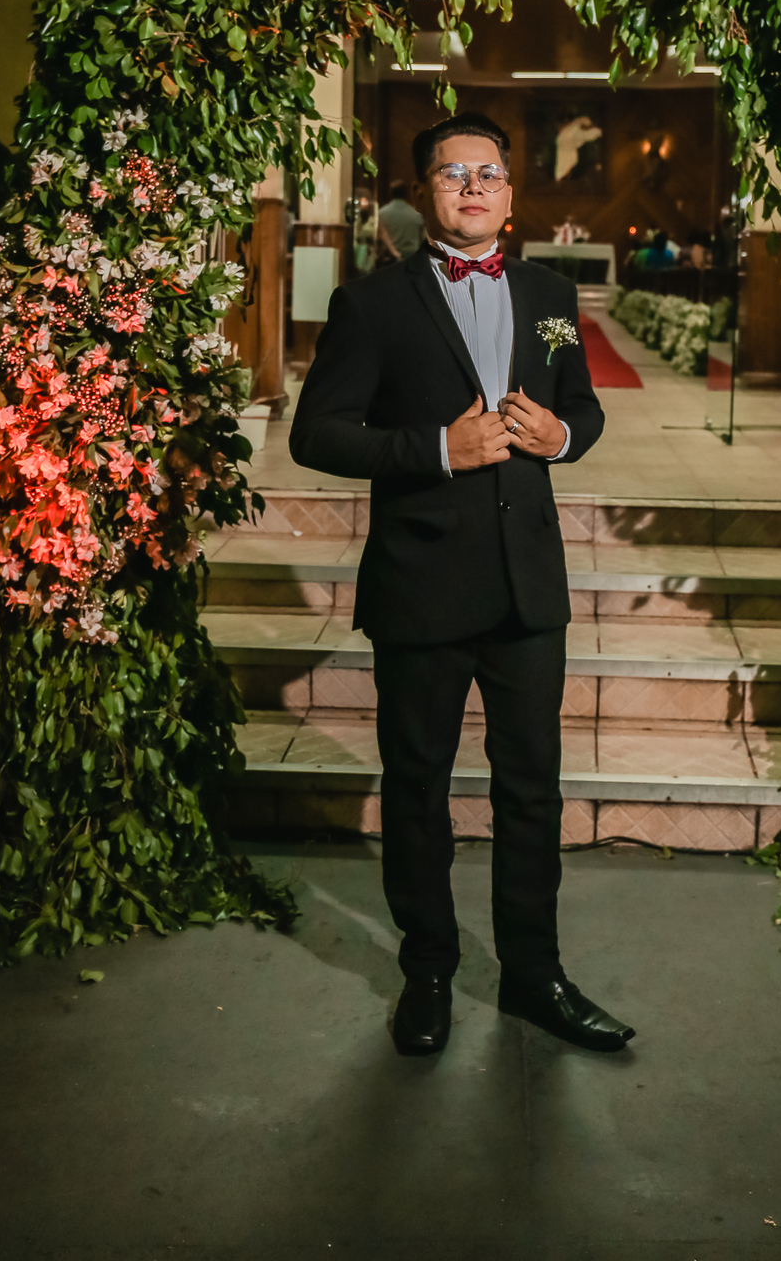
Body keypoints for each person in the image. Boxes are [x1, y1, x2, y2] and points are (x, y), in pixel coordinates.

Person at [290, 111, 635, 1059]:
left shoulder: (551, 293)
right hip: (422, 587)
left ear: (511, 193)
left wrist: (564, 437)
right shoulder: (372, 304)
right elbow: (317, 435)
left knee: (532, 791)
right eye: (454, 174)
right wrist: (438, 449)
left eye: (489, 173)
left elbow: (581, 405)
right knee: (418, 792)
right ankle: (429, 974)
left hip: (528, 590)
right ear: (423, 193)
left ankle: (535, 975)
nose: (474, 187)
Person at [376, 178, 426, 261]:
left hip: (391, 258)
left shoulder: (381, 213)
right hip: (413, 256)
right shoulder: (416, 214)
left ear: (391, 193)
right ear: (406, 193)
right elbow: (423, 237)